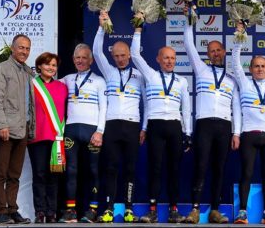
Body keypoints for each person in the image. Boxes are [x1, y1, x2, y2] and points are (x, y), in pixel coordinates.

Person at [130, 13, 192, 224]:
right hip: (155, 125)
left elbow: (187, 109)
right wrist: (138, 28)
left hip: (175, 127)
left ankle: (174, 210)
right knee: (155, 168)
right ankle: (152, 210)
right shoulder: (150, 75)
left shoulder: (182, 81)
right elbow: (135, 55)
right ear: (158, 59)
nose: (169, 61)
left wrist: (188, 133)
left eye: (172, 58)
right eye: (166, 57)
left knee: (174, 170)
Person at [183, 7, 241, 224]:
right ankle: (195, 210)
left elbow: (236, 107)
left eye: (218, 50)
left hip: (225, 127)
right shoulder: (201, 70)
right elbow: (188, 45)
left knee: (219, 168)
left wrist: (236, 132)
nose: (215, 53)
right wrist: (189, 20)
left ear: (224, 52)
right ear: (207, 55)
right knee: (200, 166)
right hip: (204, 125)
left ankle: (215, 210)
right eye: (211, 51)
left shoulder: (232, 78)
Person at [93, 11, 147, 223]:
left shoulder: (140, 75)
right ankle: (108, 208)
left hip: (132, 126)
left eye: (123, 55)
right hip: (112, 126)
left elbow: (147, 103)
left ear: (130, 55)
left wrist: (144, 127)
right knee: (111, 168)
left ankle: (129, 209)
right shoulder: (109, 71)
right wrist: (101, 27)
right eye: (116, 56)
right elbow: (96, 52)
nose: (120, 59)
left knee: (131, 169)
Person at [232, 22, 265, 224]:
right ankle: (242, 211)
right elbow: (235, 60)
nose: (260, 69)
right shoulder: (244, 83)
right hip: (249, 134)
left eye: (263, 66)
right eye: (256, 66)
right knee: (247, 173)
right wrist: (239, 35)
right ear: (250, 69)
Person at [58, 43, 107, 223]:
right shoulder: (67, 79)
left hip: (92, 131)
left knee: (93, 170)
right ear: (73, 60)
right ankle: (70, 211)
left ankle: (92, 210)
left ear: (91, 60)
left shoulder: (99, 81)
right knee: (71, 171)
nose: (80, 61)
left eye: (84, 57)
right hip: (71, 130)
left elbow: (104, 108)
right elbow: (47, 85)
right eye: (77, 57)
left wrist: (100, 131)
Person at [0, 34, 35, 225]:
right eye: (21, 47)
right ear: (12, 48)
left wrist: (31, 127)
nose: (24, 51)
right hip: (6, 129)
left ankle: (12, 210)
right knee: (0, 173)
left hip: (23, 128)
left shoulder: (28, 72)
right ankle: (0, 211)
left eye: (27, 48)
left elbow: (30, 104)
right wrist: (1, 124)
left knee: (14, 175)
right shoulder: (2, 68)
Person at [28, 52, 68, 224]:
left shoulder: (62, 87)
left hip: (56, 138)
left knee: (54, 176)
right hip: (37, 137)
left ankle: (51, 212)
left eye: (54, 65)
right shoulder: (32, 85)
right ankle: (40, 211)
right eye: (47, 64)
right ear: (39, 66)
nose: (51, 68)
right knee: (39, 175)